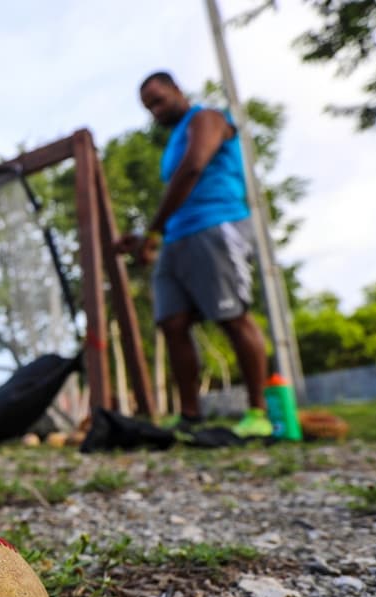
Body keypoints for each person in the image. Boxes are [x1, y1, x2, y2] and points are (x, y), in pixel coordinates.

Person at [118, 71, 274, 439]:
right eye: (148, 107)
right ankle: (190, 415)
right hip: (176, 236)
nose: (154, 111)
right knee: (172, 323)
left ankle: (258, 412)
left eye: (157, 100)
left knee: (233, 316)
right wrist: (147, 239)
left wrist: (153, 231)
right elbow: (177, 188)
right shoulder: (172, 140)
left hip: (216, 225)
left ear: (176, 90)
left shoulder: (208, 118)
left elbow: (193, 170)